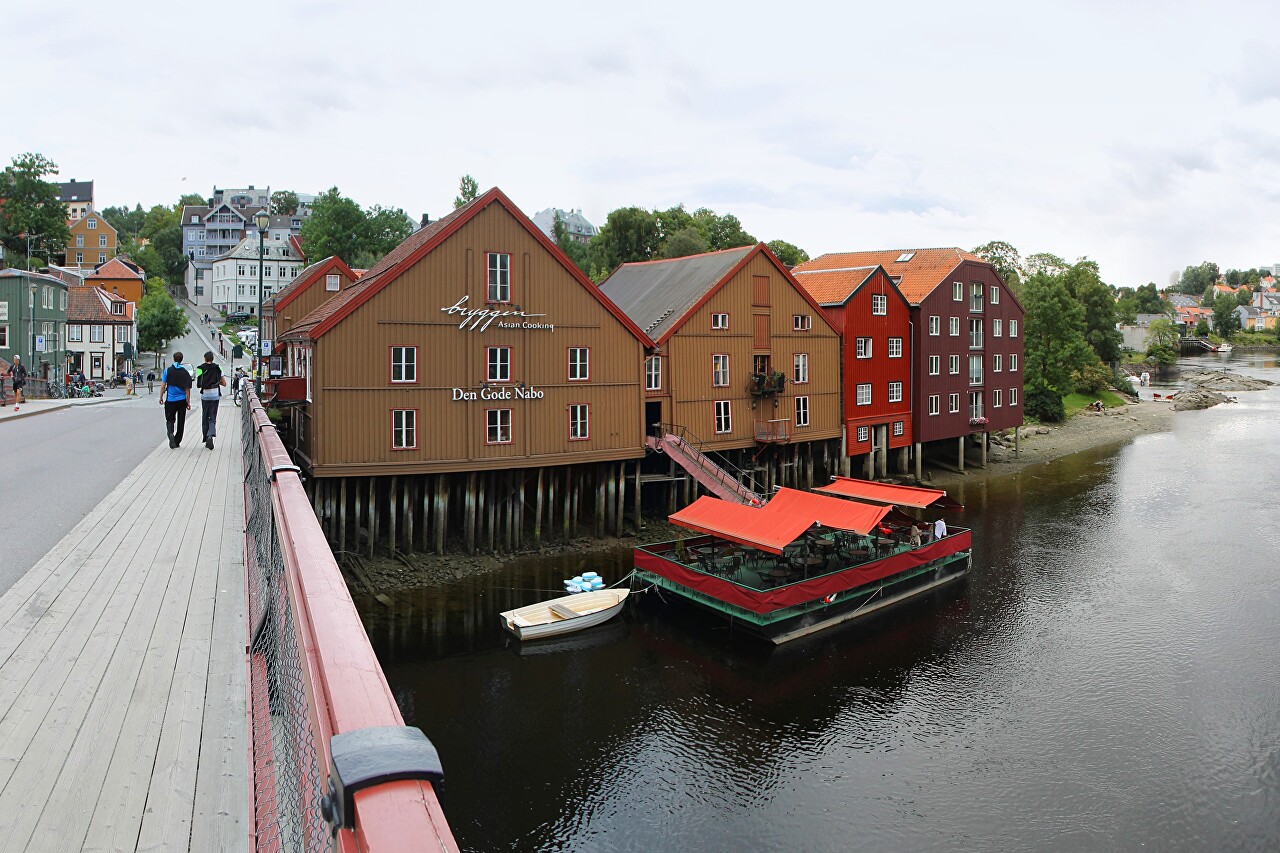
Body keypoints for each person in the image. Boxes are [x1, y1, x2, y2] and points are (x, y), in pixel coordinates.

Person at [159, 351, 193, 448]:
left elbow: (162, 386)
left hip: (170, 400)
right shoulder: (185, 373)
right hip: (181, 400)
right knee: (181, 421)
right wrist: (188, 402)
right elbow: (187, 389)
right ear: (181, 360)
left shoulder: (168, 371)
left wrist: (161, 397)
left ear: (173, 359)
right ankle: (177, 441)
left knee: (170, 420)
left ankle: (170, 434)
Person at [194, 351, 226, 450]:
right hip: (215, 394)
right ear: (212, 359)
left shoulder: (200, 368)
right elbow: (224, 383)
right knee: (212, 417)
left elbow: (199, 383)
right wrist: (218, 383)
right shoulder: (218, 368)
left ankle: (205, 437)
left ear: (205, 359)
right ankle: (210, 435)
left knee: (205, 416)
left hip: (205, 395)